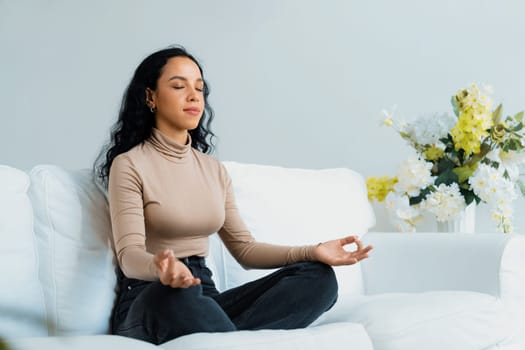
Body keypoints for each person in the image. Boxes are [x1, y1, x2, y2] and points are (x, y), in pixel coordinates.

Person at [93, 45, 373, 345]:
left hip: (205, 298)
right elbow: (129, 255)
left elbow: (245, 249)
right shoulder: (130, 164)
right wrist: (161, 270)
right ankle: (228, 337)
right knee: (179, 296)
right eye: (178, 86)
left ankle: (222, 337)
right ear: (151, 97)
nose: (193, 96)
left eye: (199, 88)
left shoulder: (213, 169)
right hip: (151, 295)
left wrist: (313, 251)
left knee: (319, 278)